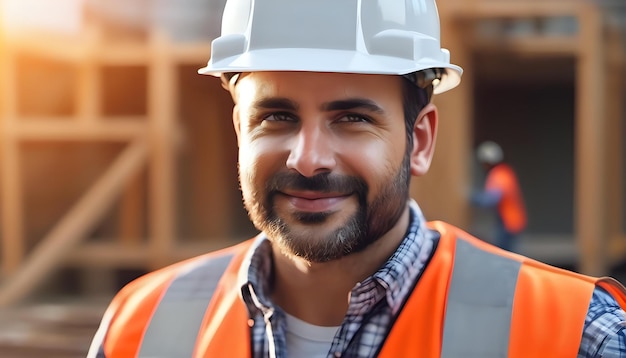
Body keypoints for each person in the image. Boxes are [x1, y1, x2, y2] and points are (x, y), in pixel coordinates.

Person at [87, 0, 626, 357]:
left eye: (352, 119)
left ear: (419, 141)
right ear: (239, 130)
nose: (308, 159)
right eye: (277, 117)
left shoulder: (576, 333)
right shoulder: (141, 327)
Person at [471, 140, 527, 252]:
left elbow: (492, 199)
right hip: (510, 221)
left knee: (505, 255)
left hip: (508, 223)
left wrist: (472, 197)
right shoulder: (505, 171)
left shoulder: (499, 174)